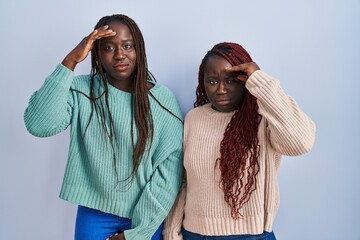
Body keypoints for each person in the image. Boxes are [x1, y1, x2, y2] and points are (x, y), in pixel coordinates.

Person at [24, 14, 184, 240]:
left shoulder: (161, 100)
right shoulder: (81, 90)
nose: (120, 54)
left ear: (139, 50)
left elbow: (170, 169)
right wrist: (70, 61)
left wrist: (137, 233)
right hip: (94, 214)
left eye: (127, 46)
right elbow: (38, 124)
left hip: (146, 216)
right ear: (96, 54)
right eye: (108, 47)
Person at [163, 42, 316, 240]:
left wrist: (260, 80)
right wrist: (171, 232)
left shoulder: (264, 118)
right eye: (212, 81)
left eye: (231, 81)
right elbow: (183, 181)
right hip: (194, 234)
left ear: (245, 80)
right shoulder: (194, 119)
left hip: (251, 235)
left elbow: (301, 142)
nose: (221, 89)